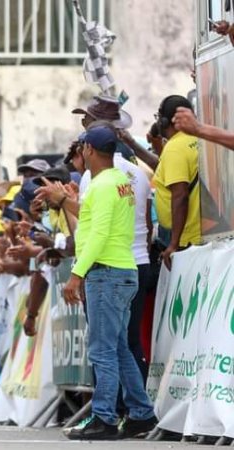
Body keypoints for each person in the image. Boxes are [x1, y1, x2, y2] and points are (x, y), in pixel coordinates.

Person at [61, 126, 157, 440]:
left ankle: (103, 416)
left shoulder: (102, 185)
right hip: (124, 269)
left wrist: (77, 274)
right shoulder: (121, 182)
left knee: (103, 350)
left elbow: (98, 234)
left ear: (89, 149)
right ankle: (141, 414)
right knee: (119, 348)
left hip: (106, 273)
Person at [152, 96, 202, 269]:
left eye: (159, 117)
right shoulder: (197, 139)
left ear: (167, 121)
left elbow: (180, 196)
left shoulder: (174, 148)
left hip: (187, 238)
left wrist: (174, 243)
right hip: (199, 232)